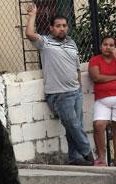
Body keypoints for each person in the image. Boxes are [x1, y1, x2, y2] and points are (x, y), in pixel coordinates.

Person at [26, 4, 94, 166]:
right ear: (51, 28)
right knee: (72, 123)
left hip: (75, 91)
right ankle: (87, 152)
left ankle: (75, 157)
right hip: (59, 94)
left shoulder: (72, 43)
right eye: (58, 26)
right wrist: (33, 15)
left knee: (74, 125)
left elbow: (76, 67)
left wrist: (78, 86)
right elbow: (29, 34)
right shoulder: (45, 43)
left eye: (64, 26)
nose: (61, 29)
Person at [89, 36, 116, 167]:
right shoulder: (95, 60)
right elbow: (97, 77)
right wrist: (115, 77)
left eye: (111, 45)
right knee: (99, 125)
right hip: (102, 100)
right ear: (101, 46)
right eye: (105, 44)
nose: (108, 47)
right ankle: (101, 158)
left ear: (115, 47)